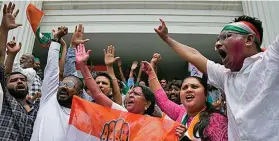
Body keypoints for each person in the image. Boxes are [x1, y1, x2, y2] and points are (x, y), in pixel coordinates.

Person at [154, 15, 279, 140]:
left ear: (249, 39)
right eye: (218, 39)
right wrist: (167, 39)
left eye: (226, 36)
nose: (218, 44)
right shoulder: (225, 76)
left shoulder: (271, 60)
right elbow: (193, 54)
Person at [142, 61, 228, 140]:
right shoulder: (181, 112)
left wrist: (185, 139)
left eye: (194, 87)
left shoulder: (217, 120)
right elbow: (163, 100)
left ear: (205, 95)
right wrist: (151, 73)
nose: (188, 90)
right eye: (184, 88)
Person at [30, 25, 87, 141]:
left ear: (79, 93)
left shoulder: (81, 118)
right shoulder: (49, 98)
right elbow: (52, 70)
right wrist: (56, 41)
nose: (63, 87)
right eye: (61, 84)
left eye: (69, 85)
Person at [75, 44, 156, 116]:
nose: (130, 95)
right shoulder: (121, 113)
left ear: (147, 104)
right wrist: (83, 66)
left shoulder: (155, 125)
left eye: (136, 94)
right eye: (130, 92)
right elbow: (97, 94)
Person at [0, 2, 39, 140]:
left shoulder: (38, 110)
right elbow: (2, 68)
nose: (20, 81)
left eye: (22, 79)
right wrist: (4, 30)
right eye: (14, 80)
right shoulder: (5, 101)